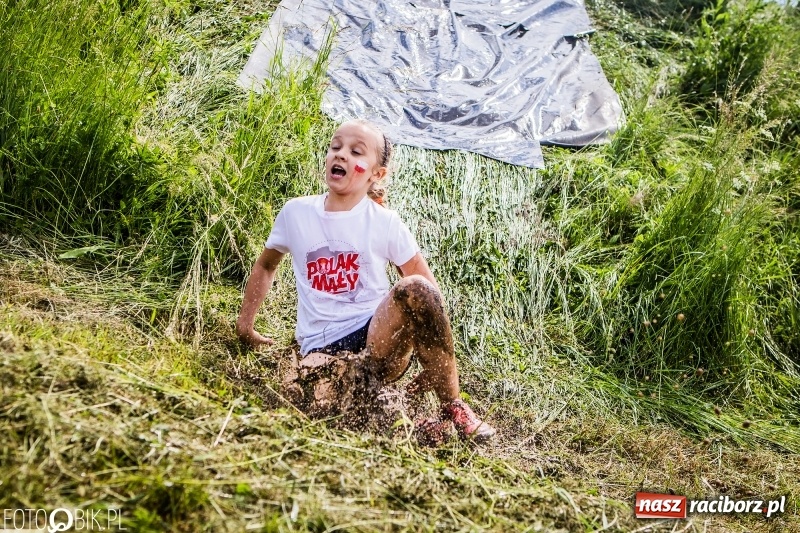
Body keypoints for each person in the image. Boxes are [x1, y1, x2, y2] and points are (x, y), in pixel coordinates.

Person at [236, 119, 496, 442]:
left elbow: (429, 293)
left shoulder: (384, 222)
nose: (340, 155)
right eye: (335, 147)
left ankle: (454, 409)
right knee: (309, 406)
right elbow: (265, 265)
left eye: (355, 151)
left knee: (415, 289)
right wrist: (245, 325)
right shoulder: (295, 214)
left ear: (376, 174)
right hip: (320, 350)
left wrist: (434, 370)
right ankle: (416, 428)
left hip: (377, 338)